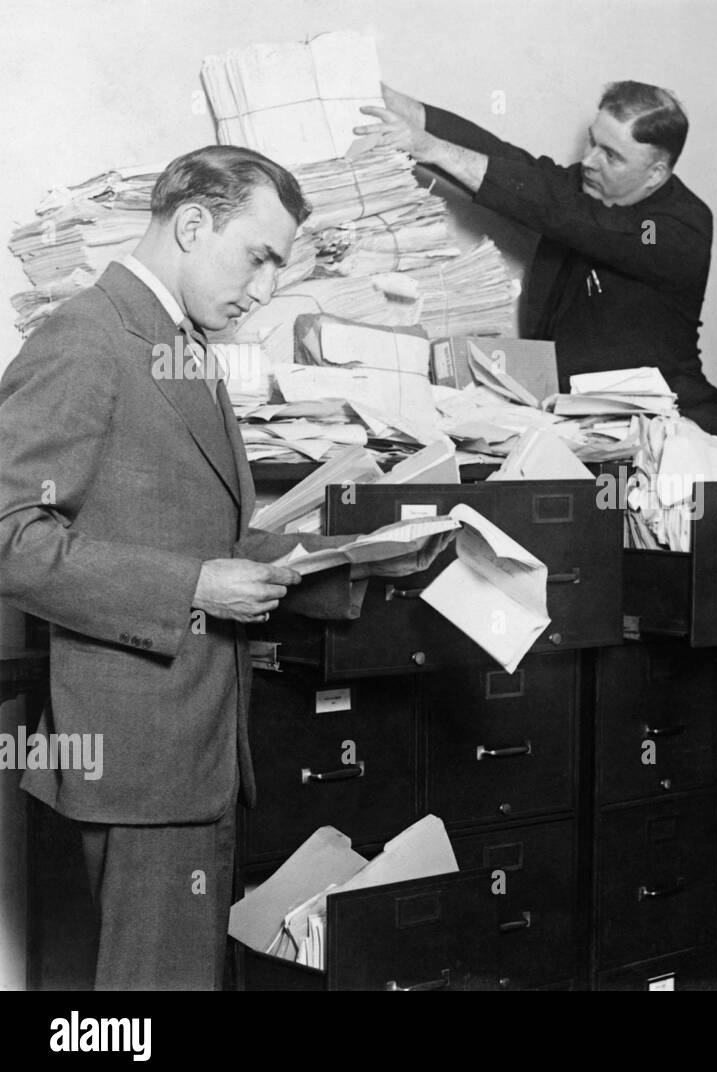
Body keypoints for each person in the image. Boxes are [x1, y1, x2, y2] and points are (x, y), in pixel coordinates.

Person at [0, 145, 434, 990]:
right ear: (193, 225)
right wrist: (191, 588)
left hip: (190, 759)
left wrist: (357, 560)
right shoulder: (86, 338)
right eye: (261, 256)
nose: (268, 287)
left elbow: (196, 533)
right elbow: (7, 534)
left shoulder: (176, 342)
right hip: (136, 769)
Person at [357, 80, 717, 439]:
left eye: (612, 156)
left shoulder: (678, 228)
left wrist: (431, 149)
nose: (588, 161)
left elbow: (566, 214)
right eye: (592, 142)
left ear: (655, 174)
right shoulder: (587, 191)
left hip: (678, 433)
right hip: (591, 428)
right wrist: (398, 105)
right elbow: (513, 164)